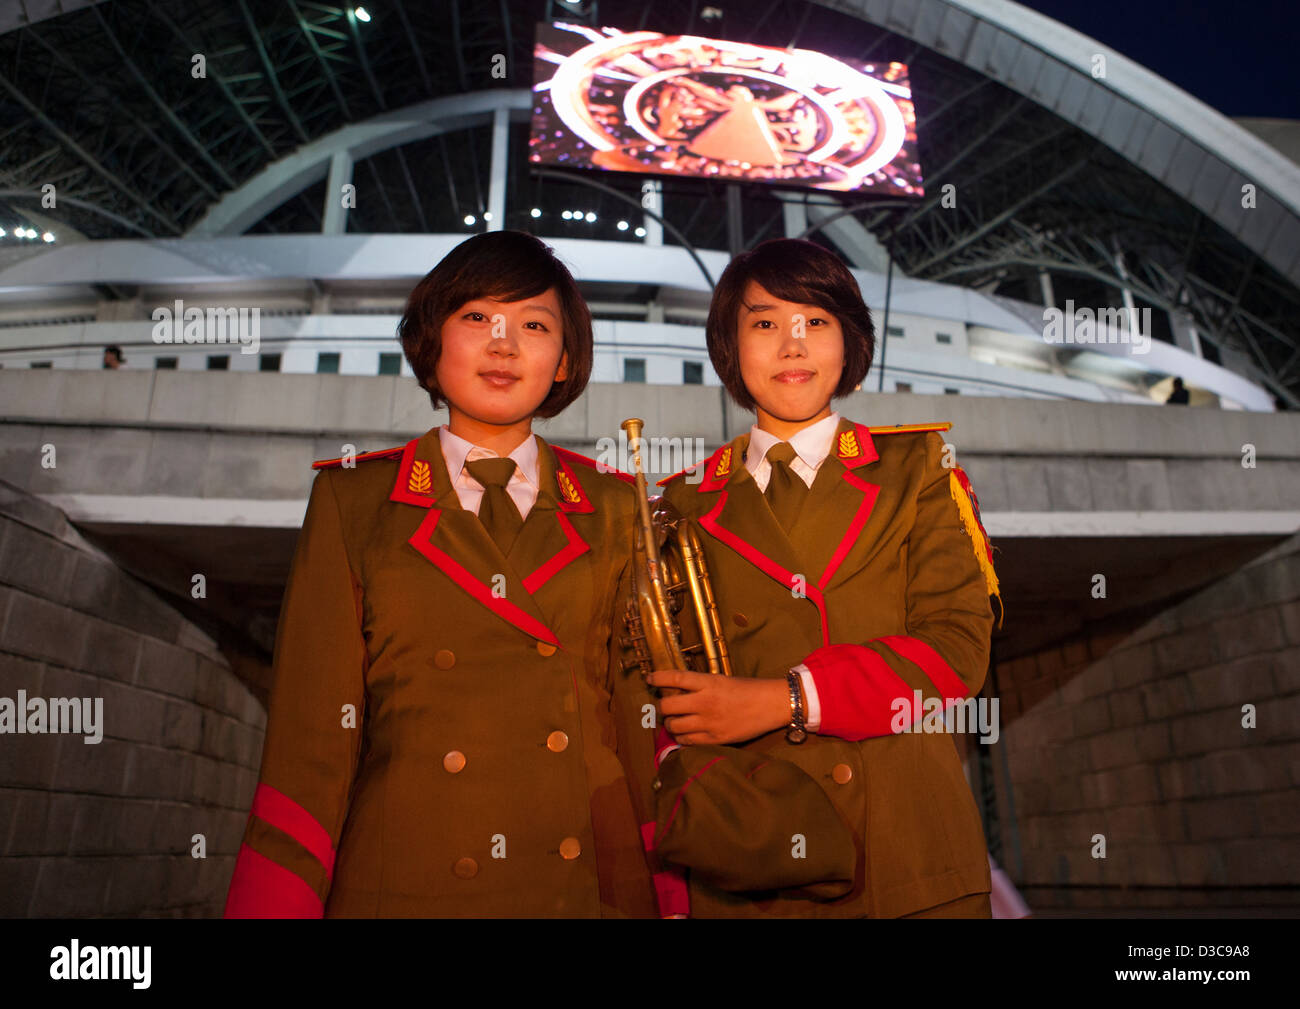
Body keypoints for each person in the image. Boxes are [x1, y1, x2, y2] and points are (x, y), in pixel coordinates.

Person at [224, 231, 657, 917]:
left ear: (565, 359)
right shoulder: (354, 500)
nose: (504, 343)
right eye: (477, 317)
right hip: (401, 883)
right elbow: (309, 749)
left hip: (580, 883)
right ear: (433, 341)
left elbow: (639, 729)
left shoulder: (614, 506)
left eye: (534, 325)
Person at [618, 238, 1001, 917]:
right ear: (730, 348)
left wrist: (786, 699)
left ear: (850, 344)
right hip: (751, 862)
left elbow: (956, 652)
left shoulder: (919, 469)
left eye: (815, 321)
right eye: (764, 323)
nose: (791, 345)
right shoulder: (678, 504)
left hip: (909, 864)